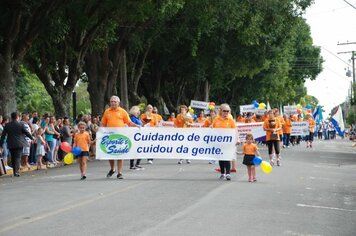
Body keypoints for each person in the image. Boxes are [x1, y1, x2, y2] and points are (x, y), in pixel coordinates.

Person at [101, 96, 140, 179]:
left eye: (115, 102)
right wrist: (100, 131)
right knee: (110, 155)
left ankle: (120, 173)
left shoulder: (122, 111)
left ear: (118, 103)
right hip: (110, 136)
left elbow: (129, 122)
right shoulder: (107, 111)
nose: (113, 103)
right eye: (111, 101)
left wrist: (137, 125)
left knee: (120, 155)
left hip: (120, 137)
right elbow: (103, 123)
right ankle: (112, 169)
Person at [0, 112, 34, 177]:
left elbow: (3, 136)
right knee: (18, 157)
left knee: (13, 157)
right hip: (19, 143)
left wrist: (1, 145)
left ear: (11, 117)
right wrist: (32, 138)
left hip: (11, 143)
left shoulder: (7, 125)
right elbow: (27, 133)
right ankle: (16, 172)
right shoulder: (20, 125)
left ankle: (14, 171)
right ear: (17, 117)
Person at [212, 104, 236, 181]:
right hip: (219, 142)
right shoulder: (216, 119)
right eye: (224, 111)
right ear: (221, 111)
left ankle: (228, 173)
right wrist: (210, 128)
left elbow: (235, 130)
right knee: (221, 158)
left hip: (228, 142)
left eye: (227, 111)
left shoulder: (230, 120)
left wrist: (237, 139)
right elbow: (212, 129)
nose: (226, 112)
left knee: (227, 157)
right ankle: (222, 173)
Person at [129, 105, 143, 169]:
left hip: (139, 135)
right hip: (134, 136)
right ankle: (132, 165)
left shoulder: (137, 118)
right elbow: (131, 126)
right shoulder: (132, 118)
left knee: (140, 150)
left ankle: (137, 163)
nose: (139, 111)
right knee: (134, 150)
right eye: (138, 110)